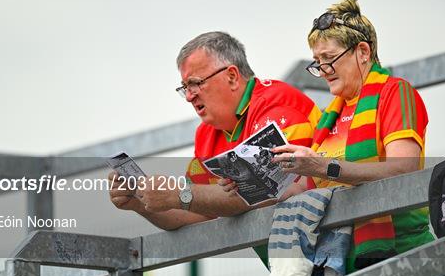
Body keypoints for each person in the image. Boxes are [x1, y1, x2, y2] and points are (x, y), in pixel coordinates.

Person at [269, 0, 445, 276]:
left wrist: (325, 167)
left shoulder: (395, 92)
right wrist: (254, 183)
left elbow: (403, 170)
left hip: (406, 263)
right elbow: (306, 188)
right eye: (317, 62)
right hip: (350, 273)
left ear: (362, 52)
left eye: (329, 59)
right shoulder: (329, 118)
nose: (323, 70)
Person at [108, 31, 321, 231]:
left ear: (231, 76)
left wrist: (178, 194)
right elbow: (198, 212)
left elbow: (260, 193)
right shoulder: (206, 133)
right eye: (185, 88)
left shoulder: (276, 106)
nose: (190, 96)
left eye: (195, 83)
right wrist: (139, 201)